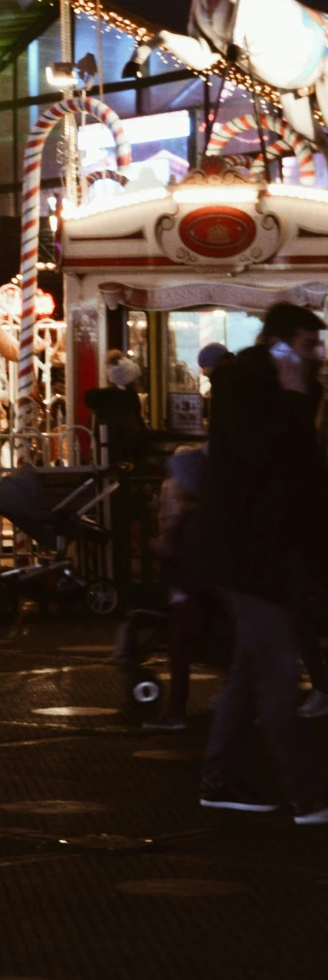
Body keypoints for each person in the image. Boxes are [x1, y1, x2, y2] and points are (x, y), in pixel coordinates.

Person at [199, 302, 328, 819]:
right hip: (248, 555)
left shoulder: (290, 391)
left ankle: (220, 777)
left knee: (251, 671)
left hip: (268, 555)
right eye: (309, 344)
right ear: (281, 345)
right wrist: (296, 401)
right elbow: (263, 455)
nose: (317, 355)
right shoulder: (243, 386)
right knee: (276, 675)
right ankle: (307, 795)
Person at [154, 446, 216, 732]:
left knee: (179, 656)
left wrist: (163, 554)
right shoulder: (200, 517)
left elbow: (188, 559)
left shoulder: (191, 521)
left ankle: (175, 712)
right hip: (195, 594)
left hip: (189, 596)